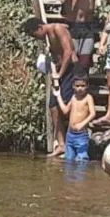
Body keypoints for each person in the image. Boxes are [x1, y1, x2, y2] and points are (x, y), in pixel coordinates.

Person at [22, 15, 76, 156]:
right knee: (53, 105)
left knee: (69, 106)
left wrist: (60, 73)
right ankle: (61, 144)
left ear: (40, 28)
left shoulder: (57, 28)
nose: (37, 39)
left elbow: (68, 51)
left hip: (71, 70)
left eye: (36, 35)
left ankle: (74, 143)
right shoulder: (47, 37)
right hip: (60, 71)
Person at [61, 0, 105, 72]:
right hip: (74, 25)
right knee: (73, 57)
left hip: (88, 25)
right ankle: (73, 84)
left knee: (85, 59)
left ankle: (84, 83)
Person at [52, 73, 96, 162]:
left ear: (87, 86)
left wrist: (82, 124)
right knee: (69, 159)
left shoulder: (88, 98)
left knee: (82, 159)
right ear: (73, 86)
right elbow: (65, 111)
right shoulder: (73, 97)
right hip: (70, 134)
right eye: (77, 86)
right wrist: (58, 96)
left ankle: (81, 174)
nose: (80, 88)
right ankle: (70, 176)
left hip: (81, 135)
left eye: (83, 86)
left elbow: (93, 114)